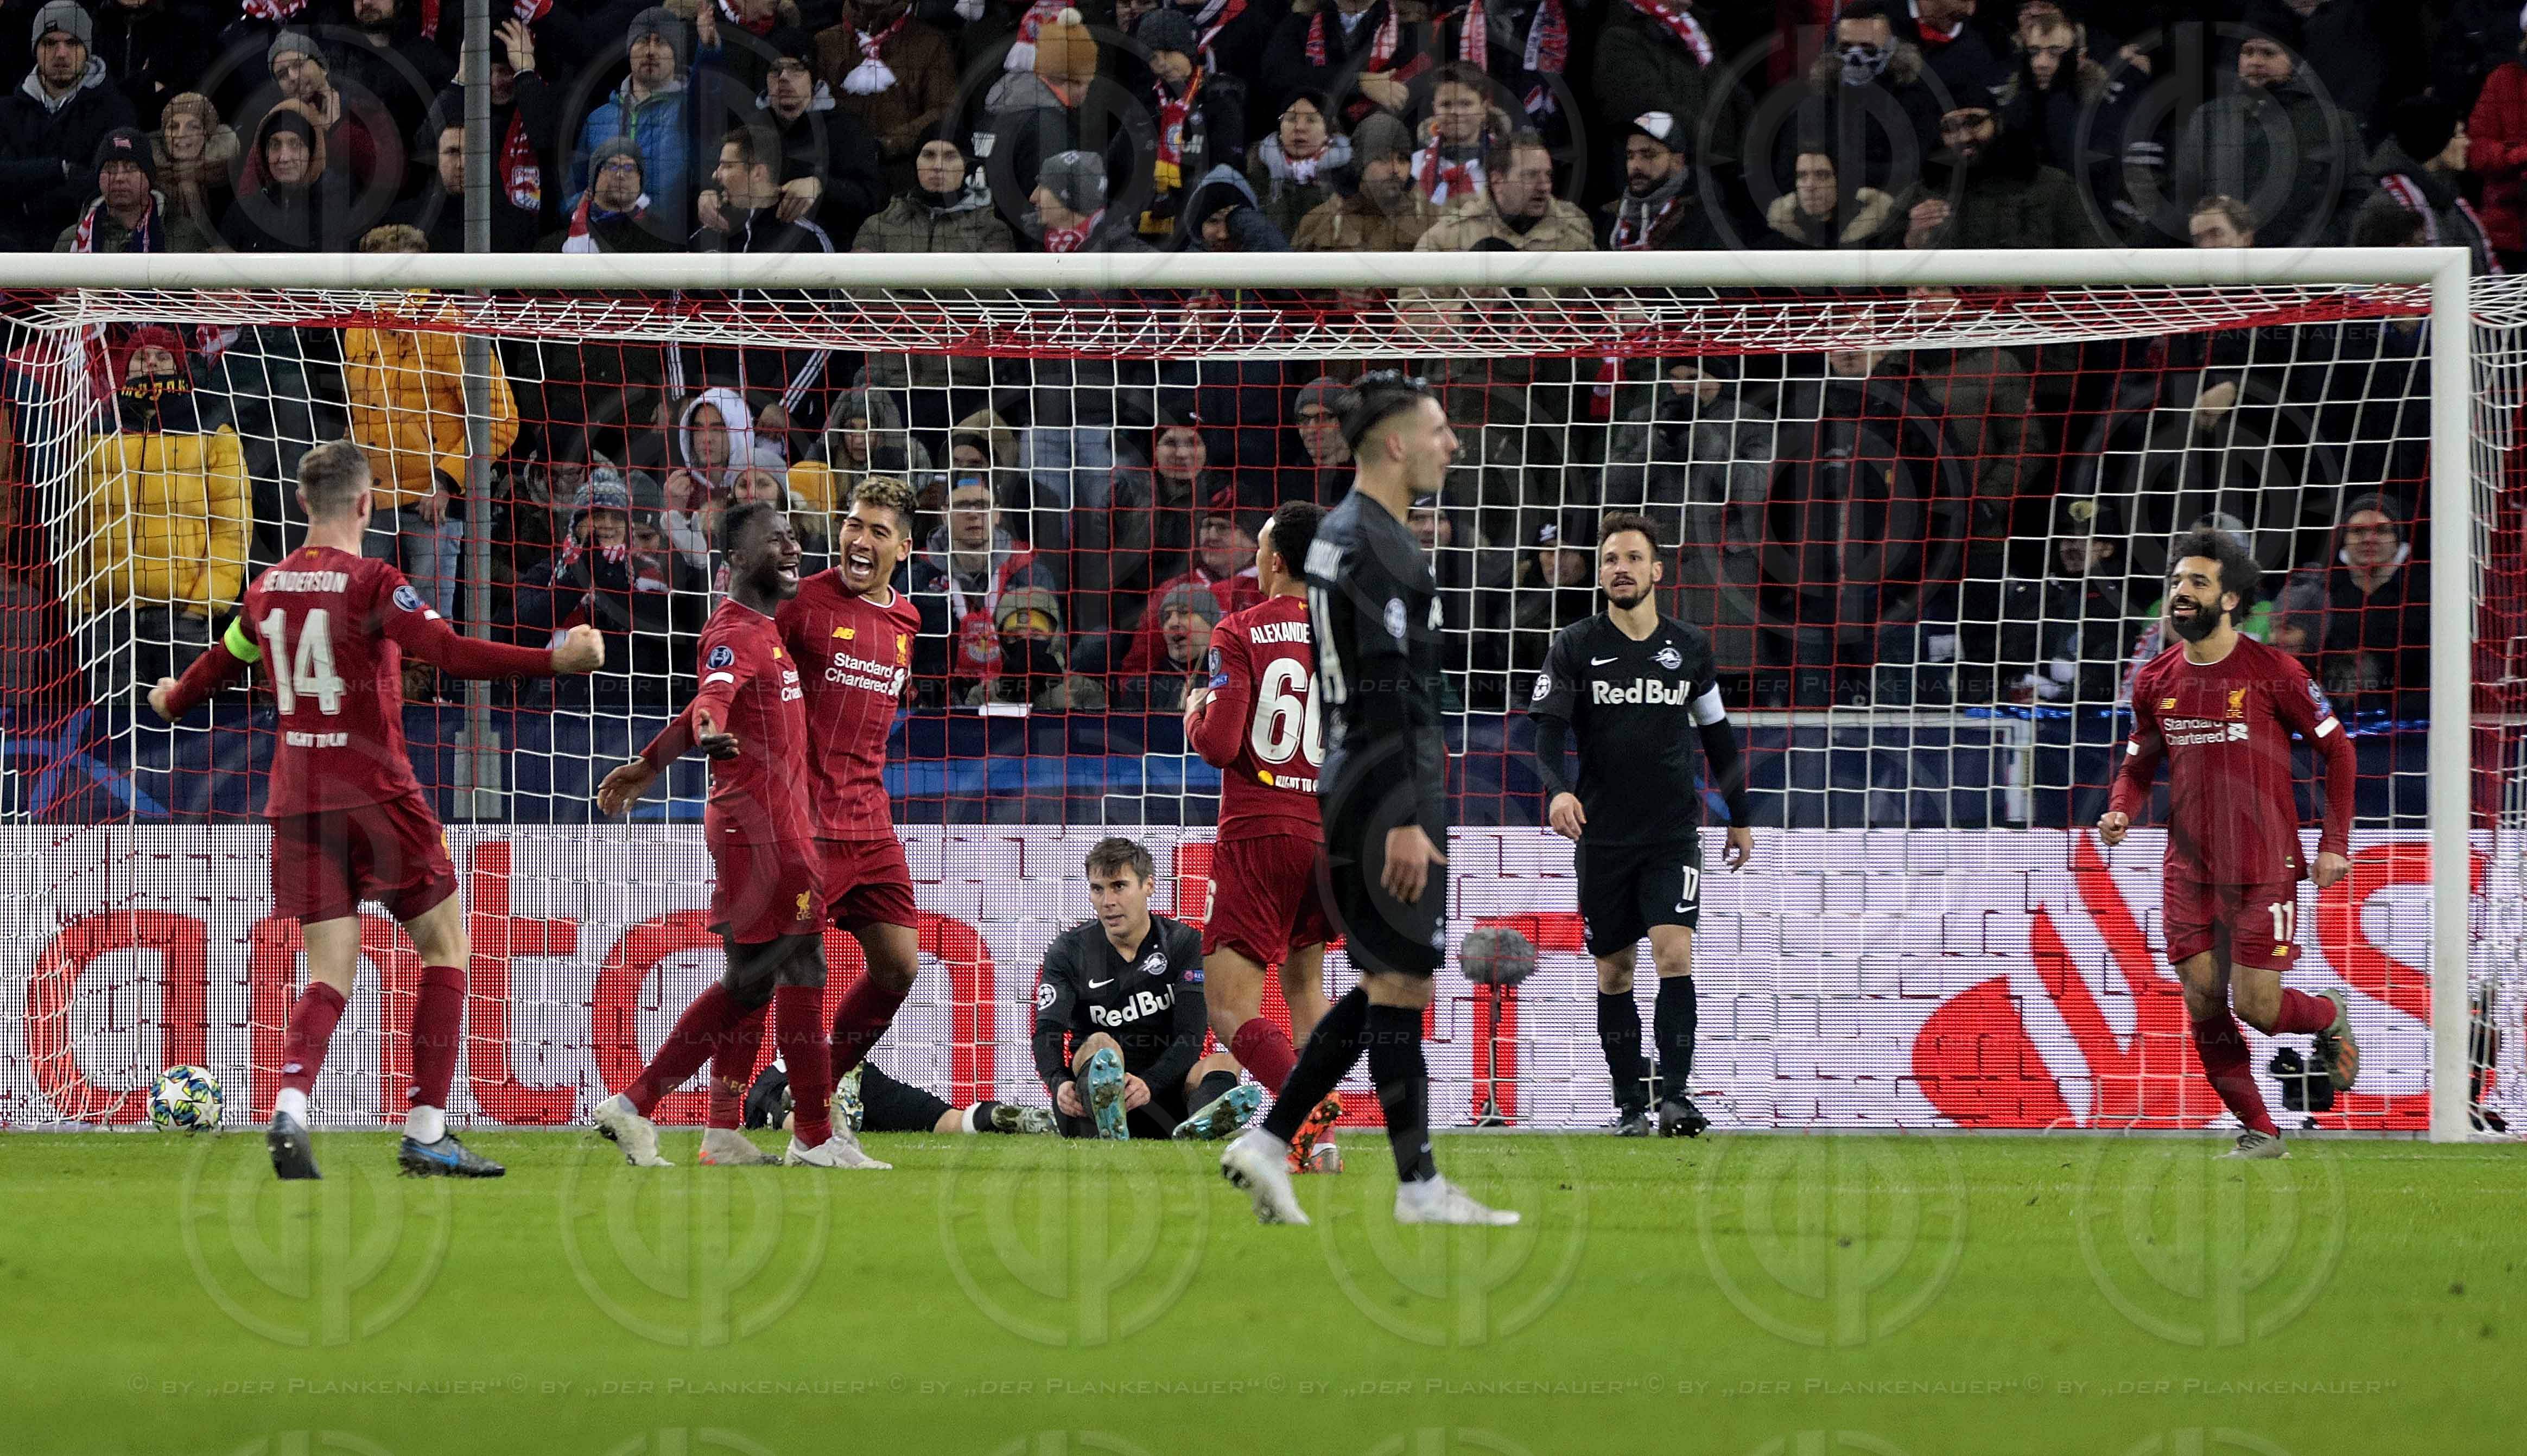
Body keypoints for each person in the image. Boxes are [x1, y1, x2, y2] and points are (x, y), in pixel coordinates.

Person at [147, 441, 605, 1179]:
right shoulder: (374, 582)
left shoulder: (265, 591)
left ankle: (291, 1104)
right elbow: (448, 652)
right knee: (446, 945)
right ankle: (426, 1130)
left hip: (298, 801)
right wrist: (553, 659)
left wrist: (170, 698)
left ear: (303, 503)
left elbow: (221, 661)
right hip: (377, 792)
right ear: (366, 503)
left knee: (329, 969)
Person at [1221, 372, 1518, 1227]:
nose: (1451, 444)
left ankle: (1274, 1141)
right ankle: (1414, 1185)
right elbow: (1387, 689)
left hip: (1359, 781)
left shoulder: (1346, 538)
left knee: (1394, 986)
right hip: (1380, 790)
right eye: (1437, 430)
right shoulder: (1372, 544)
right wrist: (1410, 814)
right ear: (1394, 443)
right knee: (1397, 983)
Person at [598, 478, 924, 1167]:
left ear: (905, 546)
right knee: (770, 974)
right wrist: (662, 757)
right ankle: (796, 1123)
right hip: (796, 822)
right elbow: (723, 678)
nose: (859, 541)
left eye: (877, 531)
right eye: (853, 525)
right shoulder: (798, 603)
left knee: (896, 966)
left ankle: (805, 1101)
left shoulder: (907, 623)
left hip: (870, 821)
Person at [2099, 527, 2361, 1161]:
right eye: (2177, 581)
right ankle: (2260, 1129)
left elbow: (2340, 751)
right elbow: (2139, 764)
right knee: (2200, 995)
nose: (2181, 593)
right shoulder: (2155, 679)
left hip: (2265, 864)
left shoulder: (2276, 672)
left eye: (2198, 582)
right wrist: (2119, 809)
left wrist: (2333, 844)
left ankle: (2326, 1014)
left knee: (2258, 1005)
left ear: (2232, 600)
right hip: (2188, 868)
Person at [1529, 513, 1753, 1136]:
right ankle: (1630, 1100)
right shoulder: (1575, 645)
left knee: (1673, 953)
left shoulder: (1690, 647)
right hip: (1602, 836)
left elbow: (1717, 736)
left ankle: (1676, 1097)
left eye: (1631, 558)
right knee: (1614, 970)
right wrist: (1558, 791)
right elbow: (1545, 735)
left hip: (1671, 833)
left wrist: (1740, 816)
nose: (1619, 568)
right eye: (1609, 560)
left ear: (1656, 571)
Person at [1183, 501, 1347, 1174]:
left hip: (1258, 831)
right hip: (1330, 836)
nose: (1253, 555)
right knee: (1306, 986)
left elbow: (1222, 746)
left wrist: (1195, 714)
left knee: (1228, 1009)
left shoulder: (1240, 628)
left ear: (1277, 559)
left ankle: (1305, 1111)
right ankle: (1325, 1145)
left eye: (1260, 547)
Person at [343, 225, 522, 620]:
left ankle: (430, 684)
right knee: (365, 626)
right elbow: (359, 416)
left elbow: (502, 420)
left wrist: (446, 482)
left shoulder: (451, 327)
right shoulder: (357, 328)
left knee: (427, 628)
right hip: (372, 506)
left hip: (433, 507)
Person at [1032, 837, 1259, 1141]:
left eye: (1119, 886)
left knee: (1225, 1061)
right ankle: (1109, 1115)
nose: (1107, 901)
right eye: (1097, 889)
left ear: (1148, 886)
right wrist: (1059, 1083)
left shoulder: (1183, 944)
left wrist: (1149, 1084)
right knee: (1101, 1044)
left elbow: (1191, 1037)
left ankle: (1197, 1127)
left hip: (1161, 1094)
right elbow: (1048, 1030)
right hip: (1086, 1108)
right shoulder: (1069, 950)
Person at [72, 326, 247, 698]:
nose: (150, 362)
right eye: (140, 356)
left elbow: (232, 528)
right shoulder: (94, 435)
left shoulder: (213, 432)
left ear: (181, 368)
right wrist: (84, 604)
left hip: (184, 616)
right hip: (108, 618)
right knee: (110, 737)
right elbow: (75, 528)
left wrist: (204, 605)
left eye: (162, 356)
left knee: (189, 737)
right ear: (125, 370)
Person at [2269, 492, 2430, 722]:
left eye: (2382, 530)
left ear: (2398, 538)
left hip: (2411, 725)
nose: (2369, 539)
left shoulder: (2428, 591)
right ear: (2344, 538)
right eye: (2358, 531)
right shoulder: (2318, 592)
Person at [1, 2, 140, 251]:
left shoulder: (116, 110)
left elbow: (103, 183)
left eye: (72, 43)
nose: (61, 53)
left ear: (87, 49)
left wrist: (27, 196)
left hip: (85, 250)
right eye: (50, 43)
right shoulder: (7, 111)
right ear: (36, 49)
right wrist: (60, 169)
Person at [572, 8, 698, 238]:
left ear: (677, 53)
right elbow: (575, 188)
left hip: (671, 251)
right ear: (630, 51)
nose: (650, 51)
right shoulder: (597, 119)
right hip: (605, 248)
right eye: (642, 42)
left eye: (661, 42)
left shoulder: (693, 112)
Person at [815, 0, 958, 196]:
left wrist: (887, 145)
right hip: (838, 175)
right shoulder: (825, 42)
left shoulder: (932, 43)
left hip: (901, 178)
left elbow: (943, 111)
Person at [1291, 109, 1440, 253]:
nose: (1395, 169)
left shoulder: (1433, 218)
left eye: (1403, 160)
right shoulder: (1318, 221)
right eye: (1383, 158)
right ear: (1360, 163)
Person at [57, 127, 221, 252]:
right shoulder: (70, 241)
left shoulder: (186, 237)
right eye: (110, 168)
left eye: (131, 168)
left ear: (149, 176)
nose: (120, 177)